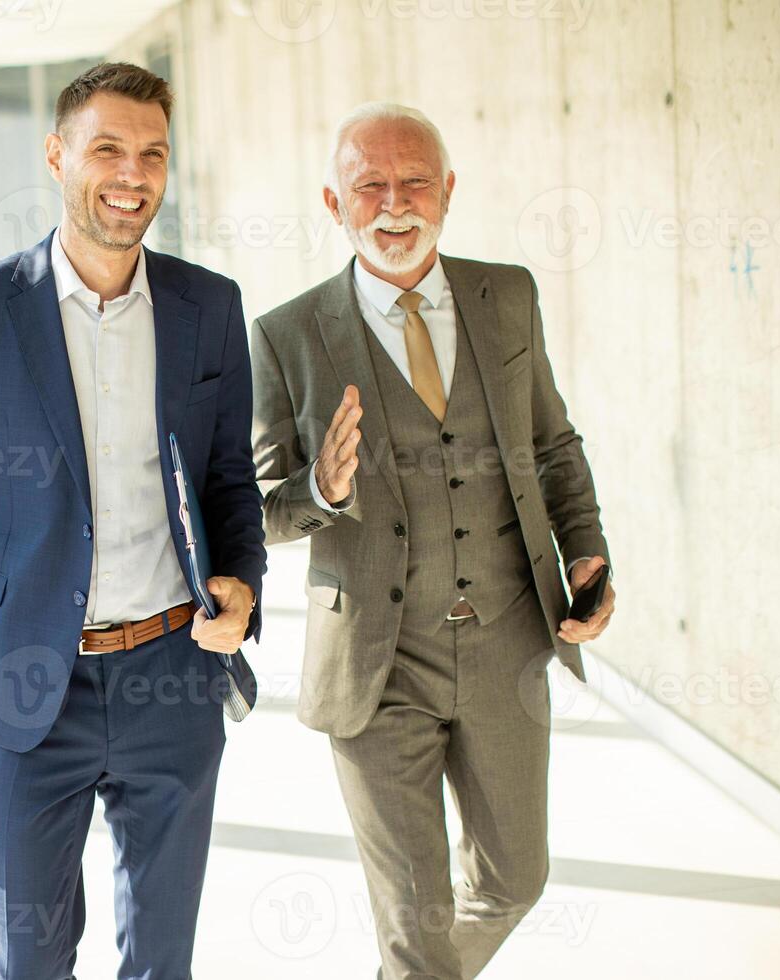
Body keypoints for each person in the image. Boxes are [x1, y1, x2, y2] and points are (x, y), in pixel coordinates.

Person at [0, 62, 266, 980]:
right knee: (28, 959)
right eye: (107, 148)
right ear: (56, 156)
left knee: (163, 962)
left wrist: (243, 585)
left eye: (152, 153)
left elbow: (230, 481)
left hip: (174, 675)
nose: (132, 173)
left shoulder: (211, 308)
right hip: (27, 681)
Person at [250, 101, 615, 980]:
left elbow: (554, 443)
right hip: (379, 668)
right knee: (417, 926)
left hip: (508, 647)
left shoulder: (508, 296)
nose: (394, 204)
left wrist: (585, 551)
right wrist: (321, 490)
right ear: (335, 206)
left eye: (415, 181)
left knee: (516, 881)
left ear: (448, 190)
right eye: (368, 185)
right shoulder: (287, 334)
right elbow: (261, 509)